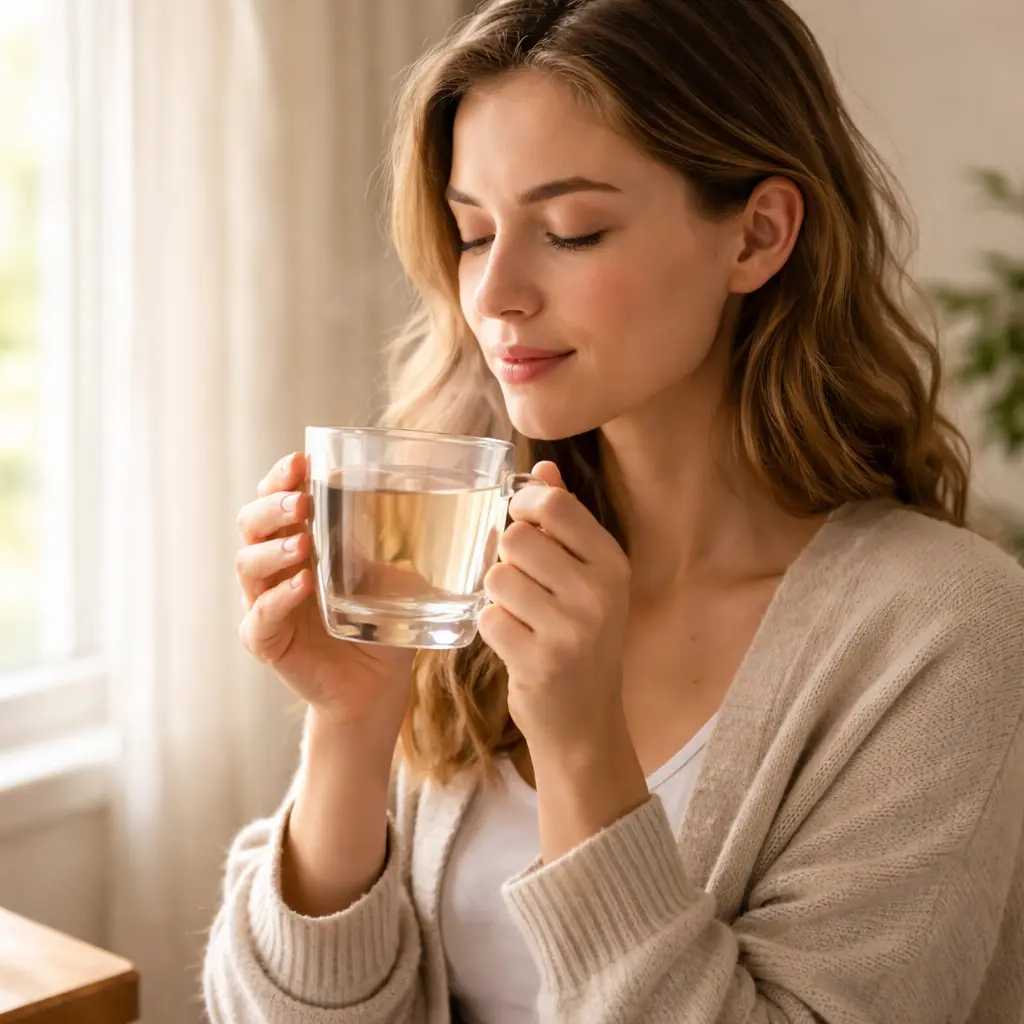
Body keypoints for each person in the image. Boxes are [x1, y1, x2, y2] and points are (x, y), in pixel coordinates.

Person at [203, 0, 1024, 1021]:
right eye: (471, 233)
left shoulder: (948, 633)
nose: (494, 292)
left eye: (570, 230)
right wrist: (352, 722)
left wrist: (584, 747)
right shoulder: (455, 556)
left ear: (757, 235)